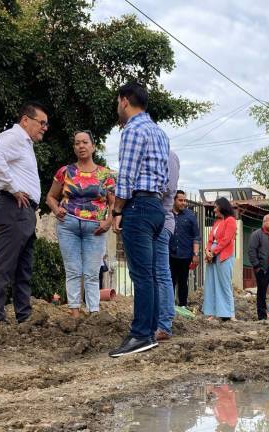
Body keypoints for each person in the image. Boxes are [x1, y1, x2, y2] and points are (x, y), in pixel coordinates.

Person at [109, 82, 169, 357]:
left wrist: (117, 210)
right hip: (156, 206)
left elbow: (126, 177)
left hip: (140, 206)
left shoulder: (132, 130)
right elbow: (165, 178)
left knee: (141, 274)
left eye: (117, 102)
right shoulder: (159, 133)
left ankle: (141, 334)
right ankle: (151, 330)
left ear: (124, 101)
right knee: (153, 274)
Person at [0, 101, 48, 324]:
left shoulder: (25, 144)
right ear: (25, 120)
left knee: (23, 268)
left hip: (24, 211)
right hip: (14, 207)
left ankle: (24, 316)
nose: (44, 127)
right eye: (41, 122)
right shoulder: (15, 137)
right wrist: (13, 187)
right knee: (5, 265)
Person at [46, 131, 115, 318]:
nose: (81, 146)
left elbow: (113, 203)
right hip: (68, 225)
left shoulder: (105, 174)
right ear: (74, 148)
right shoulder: (65, 172)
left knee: (92, 273)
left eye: (85, 142)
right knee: (73, 270)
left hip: (96, 229)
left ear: (93, 146)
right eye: (77, 143)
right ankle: (74, 312)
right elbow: (51, 197)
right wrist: (55, 208)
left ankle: (94, 313)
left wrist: (109, 221)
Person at [154, 151, 180, 341]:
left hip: (160, 221)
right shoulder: (164, 154)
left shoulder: (166, 155)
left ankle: (164, 324)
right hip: (158, 220)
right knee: (155, 274)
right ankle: (158, 322)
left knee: (161, 273)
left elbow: (167, 189)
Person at [202, 197, 237, 321]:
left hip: (224, 255)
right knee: (211, 283)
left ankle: (230, 313)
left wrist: (213, 252)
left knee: (224, 284)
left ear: (222, 207)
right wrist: (207, 251)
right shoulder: (216, 222)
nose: (214, 209)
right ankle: (212, 312)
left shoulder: (231, 220)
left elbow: (226, 240)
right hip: (213, 255)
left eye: (216, 206)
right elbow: (210, 239)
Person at [170, 190, 201, 307]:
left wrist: (195, 254)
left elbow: (196, 236)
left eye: (185, 200)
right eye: (180, 200)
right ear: (174, 200)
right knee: (170, 281)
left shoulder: (190, 215)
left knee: (183, 282)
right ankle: (169, 306)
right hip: (170, 254)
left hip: (185, 255)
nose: (183, 203)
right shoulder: (168, 215)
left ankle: (183, 305)